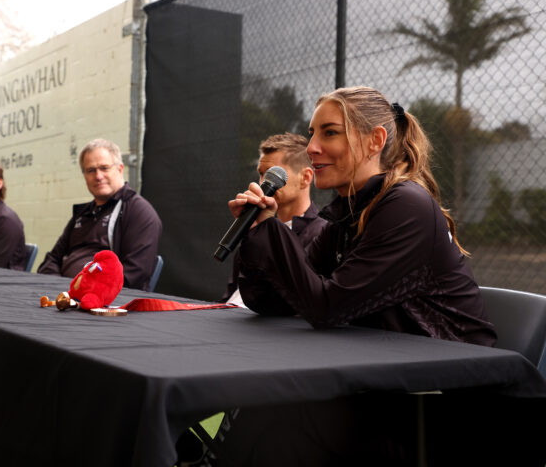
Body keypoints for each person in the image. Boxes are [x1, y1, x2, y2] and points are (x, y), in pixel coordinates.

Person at [200, 87, 502, 465]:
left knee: (285, 420)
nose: (311, 146)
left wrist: (272, 233)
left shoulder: (405, 205)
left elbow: (327, 308)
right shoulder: (349, 211)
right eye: (312, 133)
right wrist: (258, 230)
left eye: (329, 132)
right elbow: (273, 302)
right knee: (268, 407)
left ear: (375, 140)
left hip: (445, 406)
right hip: (386, 385)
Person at [38, 139, 162, 290]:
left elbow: (133, 275)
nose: (98, 176)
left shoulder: (139, 212)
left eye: (104, 168)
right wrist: (57, 288)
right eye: (91, 170)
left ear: (120, 169)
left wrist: (82, 291)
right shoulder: (83, 213)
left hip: (101, 304)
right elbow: (52, 259)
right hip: (65, 295)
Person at [224, 133, 326, 305]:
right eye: (261, 174)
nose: (262, 183)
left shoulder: (321, 234)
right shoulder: (254, 227)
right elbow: (232, 292)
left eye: (273, 175)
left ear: (306, 178)